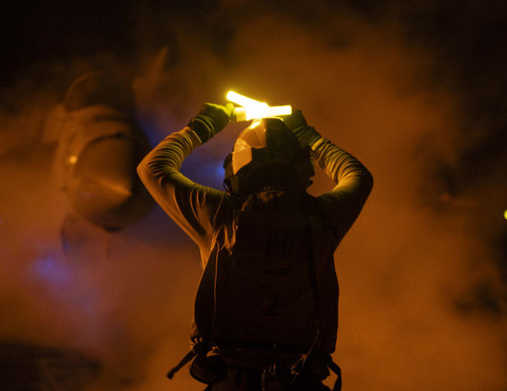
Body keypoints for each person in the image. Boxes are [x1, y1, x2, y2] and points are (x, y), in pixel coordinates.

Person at [138, 103, 372, 390]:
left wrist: (202, 126)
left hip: (233, 381)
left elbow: (153, 168)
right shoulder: (323, 218)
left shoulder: (220, 215)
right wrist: (308, 135)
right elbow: (358, 176)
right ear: (301, 166)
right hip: (302, 382)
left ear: (236, 167)